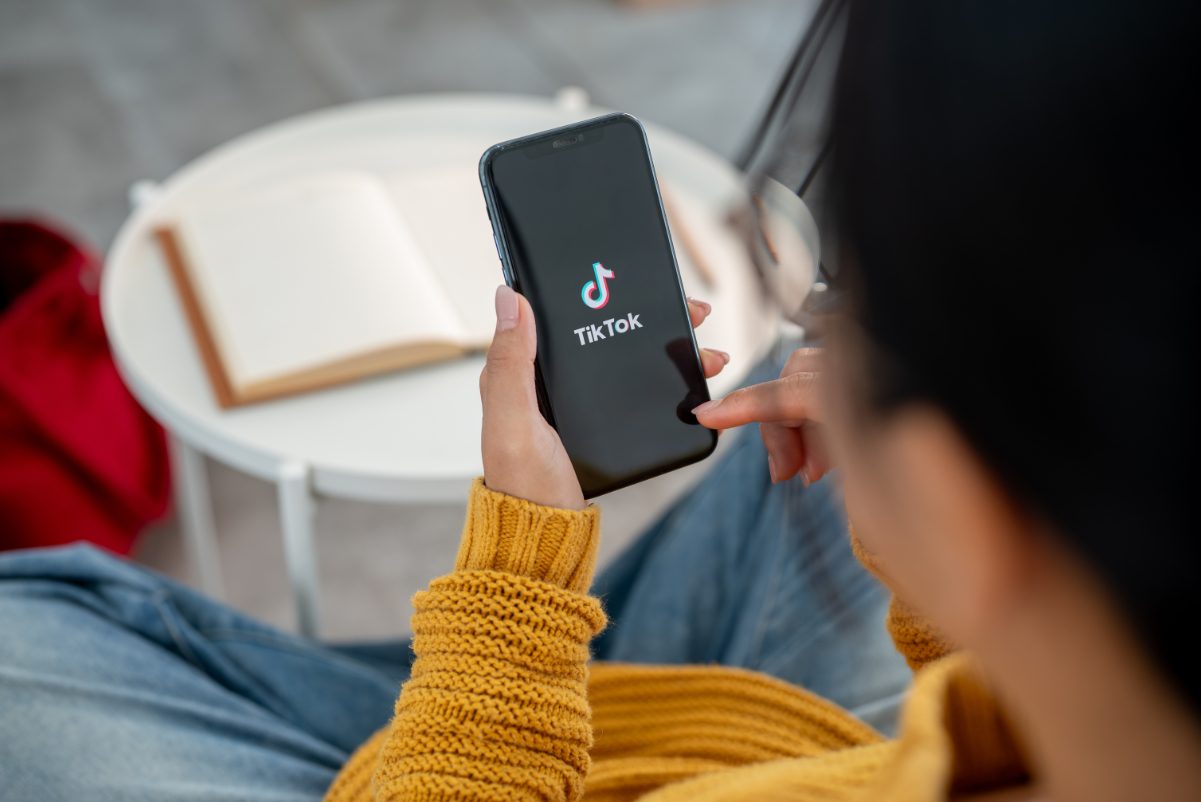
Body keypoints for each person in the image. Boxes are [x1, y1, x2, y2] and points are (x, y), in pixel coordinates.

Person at [2, 1, 1198, 800]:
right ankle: (428, 685)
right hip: (733, 725)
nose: (828, 317)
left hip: (513, 761)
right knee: (787, 454)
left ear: (971, 504)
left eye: (861, 303)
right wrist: (941, 594)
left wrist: (516, 589)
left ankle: (398, 703)